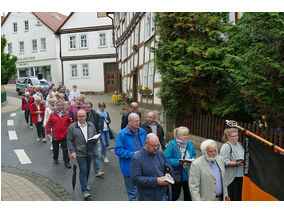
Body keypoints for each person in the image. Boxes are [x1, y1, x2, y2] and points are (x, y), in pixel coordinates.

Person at [130, 133, 174, 201]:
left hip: (164, 193)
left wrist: (168, 173)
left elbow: (167, 166)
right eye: (153, 146)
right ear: (146, 143)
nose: (156, 148)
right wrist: (156, 181)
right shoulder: (137, 158)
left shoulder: (160, 153)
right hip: (149, 197)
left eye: (157, 145)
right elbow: (135, 179)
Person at [115, 113, 147, 201]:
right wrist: (133, 154)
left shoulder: (143, 131)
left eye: (139, 121)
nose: (138, 123)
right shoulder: (122, 134)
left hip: (143, 167)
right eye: (135, 121)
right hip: (129, 169)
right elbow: (118, 151)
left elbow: (147, 145)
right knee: (133, 194)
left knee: (143, 191)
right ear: (129, 122)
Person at [67, 109, 98, 199]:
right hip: (79, 153)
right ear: (77, 116)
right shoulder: (72, 127)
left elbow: (95, 134)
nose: (81, 118)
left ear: (86, 116)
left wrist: (95, 139)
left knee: (88, 169)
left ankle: (85, 183)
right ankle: (84, 190)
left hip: (89, 151)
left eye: (83, 116)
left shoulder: (91, 125)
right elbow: (69, 140)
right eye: (79, 116)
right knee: (83, 170)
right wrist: (72, 152)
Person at [165, 126, 197, 201]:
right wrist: (178, 162)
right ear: (178, 136)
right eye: (184, 135)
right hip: (177, 173)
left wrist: (193, 159)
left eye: (187, 134)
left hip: (188, 173)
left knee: (188, 196)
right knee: (175, 195)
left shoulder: (190, 144)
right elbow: (167, 159)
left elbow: (194, 154)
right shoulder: (171, 145)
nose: (187, 136)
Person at [220, 128, 244, 201]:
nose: (236, 137)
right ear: (229, 137)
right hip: (232, 177)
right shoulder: (226, 146)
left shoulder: (239, 145)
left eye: (237, 135)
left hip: (241, 175)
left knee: (239, 197)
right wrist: (237, 163)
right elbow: (224, 161)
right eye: (233, 136)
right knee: (233, 197)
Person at [46, 100, 72, 168]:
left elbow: (70, 124)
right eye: (58, 105)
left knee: (65, 149)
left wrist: (70, 133)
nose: (59, 106)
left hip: (64, 134)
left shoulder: (66, 114)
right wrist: (48, 133)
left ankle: (67, 162)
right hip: (55, 135)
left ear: (63, 106)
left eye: (61, 105)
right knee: (55, 149)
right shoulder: (52, 114)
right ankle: (55, 158)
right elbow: (48, 124)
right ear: (56, 106)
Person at [84, 101, 103, 177]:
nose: (87, 109)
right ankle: (85, 171)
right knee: (86, 156)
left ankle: (97, 171)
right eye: (85, 107)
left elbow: (98, 127)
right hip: (84, 139)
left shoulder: (96, 115)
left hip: (94, 138)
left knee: (95, 155)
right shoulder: (82, 115)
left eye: (88, 107)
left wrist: (98, 136)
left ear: (91, 108)